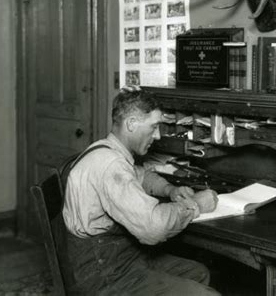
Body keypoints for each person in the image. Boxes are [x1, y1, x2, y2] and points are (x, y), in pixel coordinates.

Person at [62, 85, 220, 295]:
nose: (157, 136)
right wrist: (197, 204)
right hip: (103, 275)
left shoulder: (106, 149)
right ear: (132, 124)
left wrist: (170, 190)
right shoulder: (110, 165)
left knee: (197, 273)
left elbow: (140, 175)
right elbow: (154, 229)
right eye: (154, 127)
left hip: (119, 258)